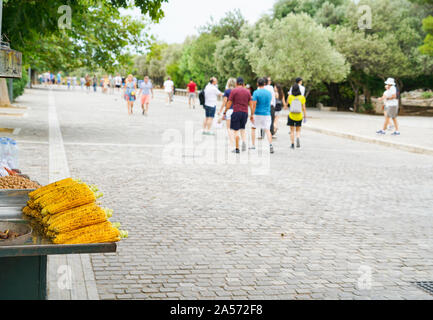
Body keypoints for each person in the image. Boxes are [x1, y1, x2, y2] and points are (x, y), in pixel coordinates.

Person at [223, 77, 253, 154]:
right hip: (245, 113)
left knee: (236, 130)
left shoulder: (234, 91)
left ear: (236, 83)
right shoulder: (247, 92)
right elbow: (251, 104)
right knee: (242, 129)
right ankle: (243, 142)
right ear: (243, 84)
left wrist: (225, 111)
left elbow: (229, 103)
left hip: (236, 112)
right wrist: (252, 113)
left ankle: (237, 148)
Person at [250, 78, 274, 154]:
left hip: (257, 113)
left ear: (257, 84)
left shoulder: (256, 92)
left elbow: (254, 104)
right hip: (267, 113)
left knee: (253, 128)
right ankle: (270, 145)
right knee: (267, 130)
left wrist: (251, 114)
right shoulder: (269, 93)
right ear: (264, 84)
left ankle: (253, 145)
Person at [286, 83, 307, 149]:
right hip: (299, 116)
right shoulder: (302, 97)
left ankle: (292, 144)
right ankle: (297, 138)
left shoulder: (290, 97)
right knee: (298, 130)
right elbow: (304, 108)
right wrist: (305, 116)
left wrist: (289, 95)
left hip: (291, 115)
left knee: (292, 131)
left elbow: (287, 103)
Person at [218, 78, 236, 148]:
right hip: (236, 110)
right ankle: (235, 140)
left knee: (229, 128)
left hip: (229, 110)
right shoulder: (237, 91)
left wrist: (221, 110)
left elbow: (225, 101)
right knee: (235, 127)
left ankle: (231, 142)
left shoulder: (227, 91)